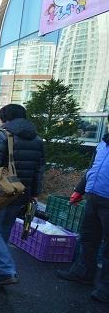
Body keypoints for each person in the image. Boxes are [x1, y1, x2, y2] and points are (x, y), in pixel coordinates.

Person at [0, 104, 44, 286]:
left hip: (1, 190)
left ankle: (7, 270)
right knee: (4, 227)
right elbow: (39, 170)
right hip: (22, 191)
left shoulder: (4, 135)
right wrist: (34, 193)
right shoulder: (37, 140)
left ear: (6, 118)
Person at [58, 115, 109, 302]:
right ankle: (83, 273)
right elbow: (92, 169)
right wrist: (79, 190)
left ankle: (106, 289)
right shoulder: (103, 144)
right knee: (88, 238)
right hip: (94, 197)